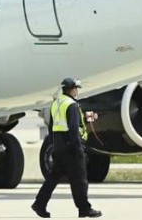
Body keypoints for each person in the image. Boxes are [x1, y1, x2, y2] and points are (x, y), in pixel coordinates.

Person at [31, 77, 102, 218]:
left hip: (58, 146)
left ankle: (39, 204)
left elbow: (51, 128)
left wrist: (54, 145)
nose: (77, 91)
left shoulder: (56, 103)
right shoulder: (72, 105)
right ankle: (84, 209)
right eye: (76, 88)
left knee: (53, 178)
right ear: (72, 89)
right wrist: (78, 149)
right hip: (72, 148)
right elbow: (74, 128)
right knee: (80, 180)